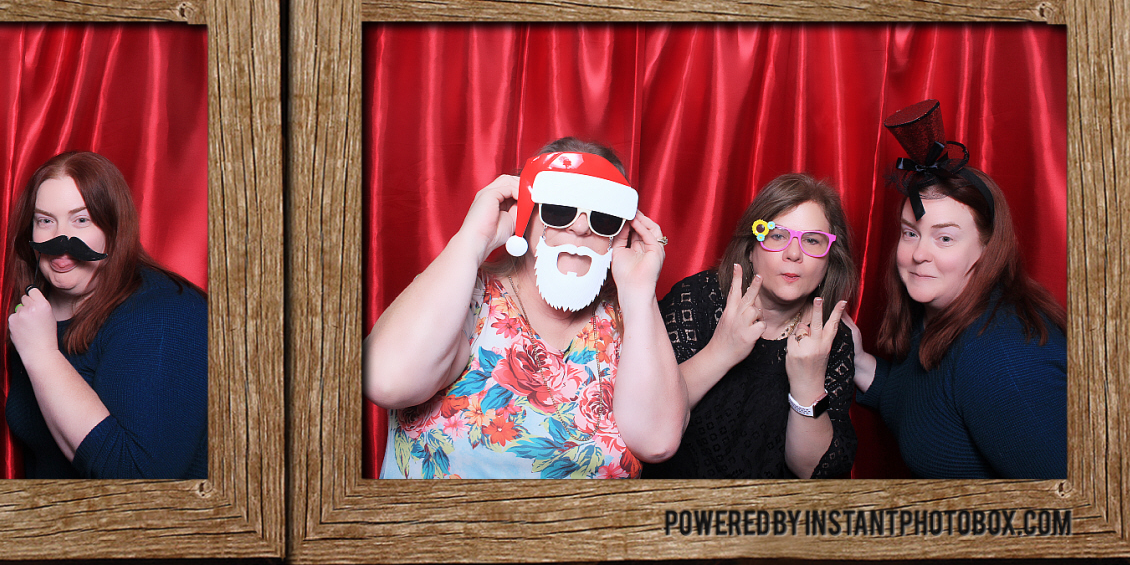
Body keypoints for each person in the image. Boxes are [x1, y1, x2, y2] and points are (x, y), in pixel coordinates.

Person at [364, 141, 687, 478]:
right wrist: (473, 238)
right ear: (525, 213)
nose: (580, 228)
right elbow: (386, 380)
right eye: (559, 208)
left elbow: (657, 442)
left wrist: (639, 292)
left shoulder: (627, 324)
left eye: (603, 216)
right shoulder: (467, 299)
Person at [848, 100, 1067, 477]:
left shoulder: (1004, 358)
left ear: (987, 248)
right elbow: (928, 407)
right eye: (910, 233)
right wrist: (856, 361)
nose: (919, 254)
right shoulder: (937, 313)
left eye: (945, 238)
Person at [4, 151, 208, 477]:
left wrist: (42, 355)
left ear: (114, 228)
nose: (61, 239)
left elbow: (140, 480)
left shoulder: (167, 314)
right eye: (45, 221)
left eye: (81, 220)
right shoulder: (35, 313)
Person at [647, 174, 856, 479]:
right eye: (777, 235)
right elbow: (648, 421)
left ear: (829, 261)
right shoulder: (697, 299)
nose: (794, 254)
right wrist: (721, 352)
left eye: (812, 240)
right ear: (750, 249)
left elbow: (815, 473)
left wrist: (808, 383)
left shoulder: (833, 339)